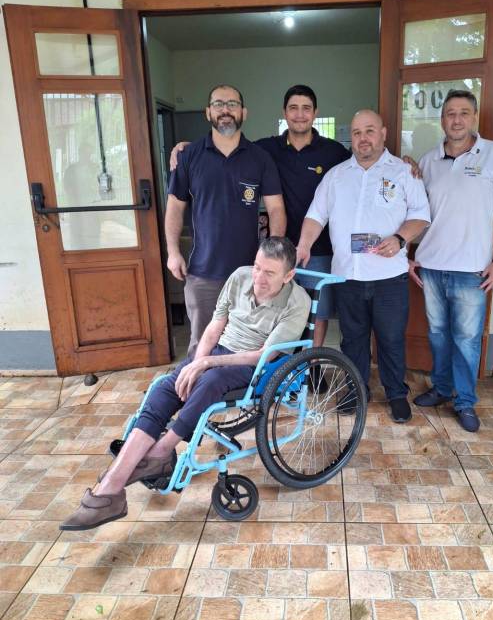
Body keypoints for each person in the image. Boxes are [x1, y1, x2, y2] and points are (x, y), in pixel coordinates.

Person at [60, 237, 311, 531]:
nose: (258, 278)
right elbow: (215, 326)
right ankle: (110, 490)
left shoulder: (297, 302)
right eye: (257, 267)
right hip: (218, 352)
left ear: (288, 276)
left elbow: (262, 355)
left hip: (252, 365)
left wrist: (206, 365)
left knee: (208, 383)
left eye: (269, 273)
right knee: (166, 387)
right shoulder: (239, 277)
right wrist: (197, 362)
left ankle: (161, 452)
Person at [170, 85, 349, 349]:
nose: (300, 114)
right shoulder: (266, 149)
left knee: (315, 315)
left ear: (315, 112)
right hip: (264, 255)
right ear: (284, 113)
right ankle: (269, 367)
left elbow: (363, 165)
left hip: (316, 249)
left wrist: (403, 163)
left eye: (306, 108)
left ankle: (307, 365)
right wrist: (183, 149)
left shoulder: (333, 152)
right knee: (260, 320)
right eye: (293, 108)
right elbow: (225, 146)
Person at [297, 110, 430, 423]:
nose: (363, 138)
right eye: (357, 132)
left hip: (389, 277)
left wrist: (400, 238)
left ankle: (396, 394)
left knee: (391, 339)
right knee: (353, 340)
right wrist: (303, 244)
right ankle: (357, 390)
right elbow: (316, 215)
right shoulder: (336, 176)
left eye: (370, 131)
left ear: (383, 133)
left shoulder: (403, 172)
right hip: (348, 276)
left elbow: (421, 215)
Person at [410, 89, 493, 432]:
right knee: (437, 335)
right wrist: (408, 255)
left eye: (463, 113)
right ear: (442, 119)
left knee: (467, 340)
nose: (456, 120)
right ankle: (442, 389)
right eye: (450, 113)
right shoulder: (428, 161)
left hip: (472, 270)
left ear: (474, 117)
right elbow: (415, 212)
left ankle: (464, 402)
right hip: (431, 267)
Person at [166, 85, 286, 355]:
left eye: (232, 104)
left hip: (249, 273)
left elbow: (276, 209)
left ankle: (234, 385)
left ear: (244, 112)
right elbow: (174, 206)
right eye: (218, 104)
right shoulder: (188, 156)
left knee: (246, 344)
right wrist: (173, 252)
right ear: (208, 112)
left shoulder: (260, 158)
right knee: (201, 346)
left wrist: (272, 256)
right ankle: (198, 384)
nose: (225, 110)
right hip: (203, 273)